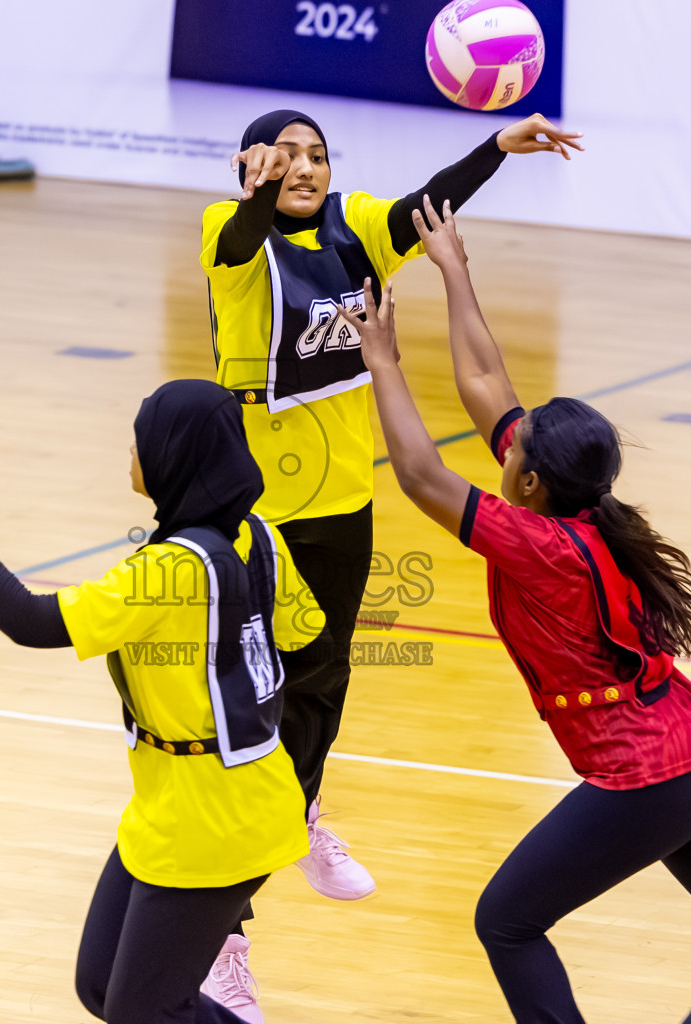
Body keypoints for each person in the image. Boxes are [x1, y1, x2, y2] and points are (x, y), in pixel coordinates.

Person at [337, 199, 691, 1024]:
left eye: (514, 449)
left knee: (508, 921)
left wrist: (381, 360)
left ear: (530, 481)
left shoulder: (541, 545)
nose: (508, 439)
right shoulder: (585, 508)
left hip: (648, 776)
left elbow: (421, 476)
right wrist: (453, 269)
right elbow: (486, 384)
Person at [200, 106, 584, 905]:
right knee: (253, 693)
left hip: (342, 500)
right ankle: (222, 917)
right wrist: (257, 192)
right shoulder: (229, 234)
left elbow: (425, 205)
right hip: (255, 511)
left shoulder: (356, 228)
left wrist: (495, 150)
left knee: (325, 677)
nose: (305, 168)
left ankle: (297, 816)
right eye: (286, 156)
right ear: (250, 165)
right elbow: (241, 240)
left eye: (317, 156)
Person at [0, 380, 323, 1024]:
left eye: (143, 436)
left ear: (177, 455)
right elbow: (300, 636)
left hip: (216, 821)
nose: (131, 447)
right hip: (183, 801)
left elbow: (29, 620)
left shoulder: (165, 572)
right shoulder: (261, 538)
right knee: (102, 988)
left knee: (143, 1013)